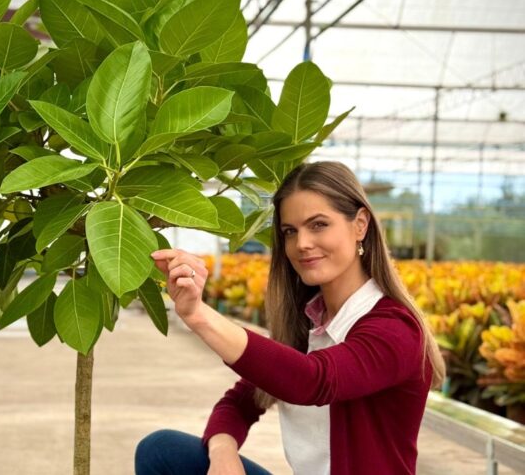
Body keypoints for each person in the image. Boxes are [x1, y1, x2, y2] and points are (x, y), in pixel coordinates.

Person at [135, 161, 445, 475]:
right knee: (162, 451)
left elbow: (313, 380)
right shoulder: (309, 324)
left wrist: (198, 315)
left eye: (319, 225)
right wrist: (222, 453)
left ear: (360, 224)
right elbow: (240, 402)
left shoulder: (395, 328)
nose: (302, 244)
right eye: (289, 231)